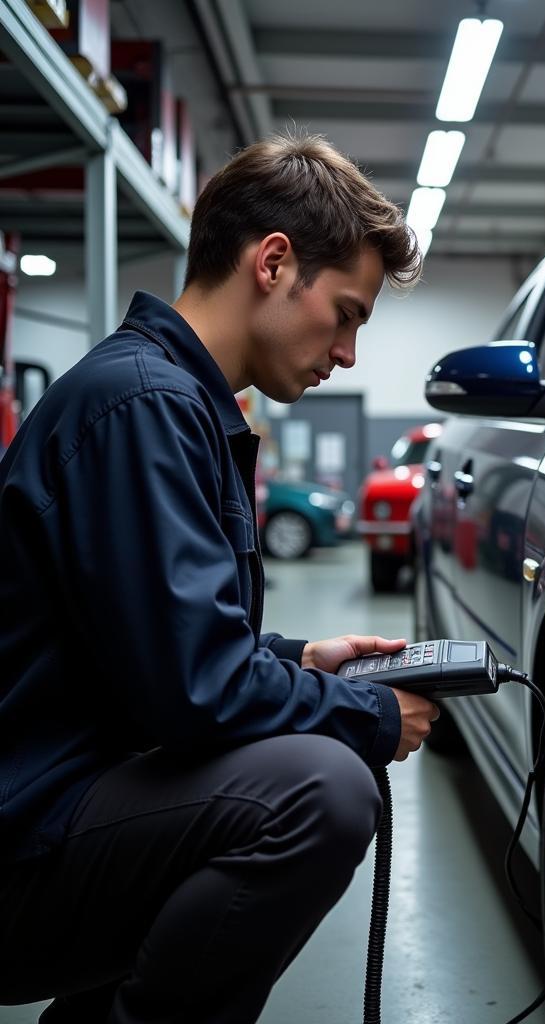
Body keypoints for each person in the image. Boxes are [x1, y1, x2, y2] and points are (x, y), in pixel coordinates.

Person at [0, 133, 438, 1023]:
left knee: (302, 765)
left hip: (61, 805)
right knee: (321, 789)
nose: (348, 352)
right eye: (347, 313)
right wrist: (368, 712)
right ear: (274, 263)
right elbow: (191, 691)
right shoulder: (145, 406)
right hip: (21, 842)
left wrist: (296, 657)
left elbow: (146, 638)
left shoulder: (173, 402)